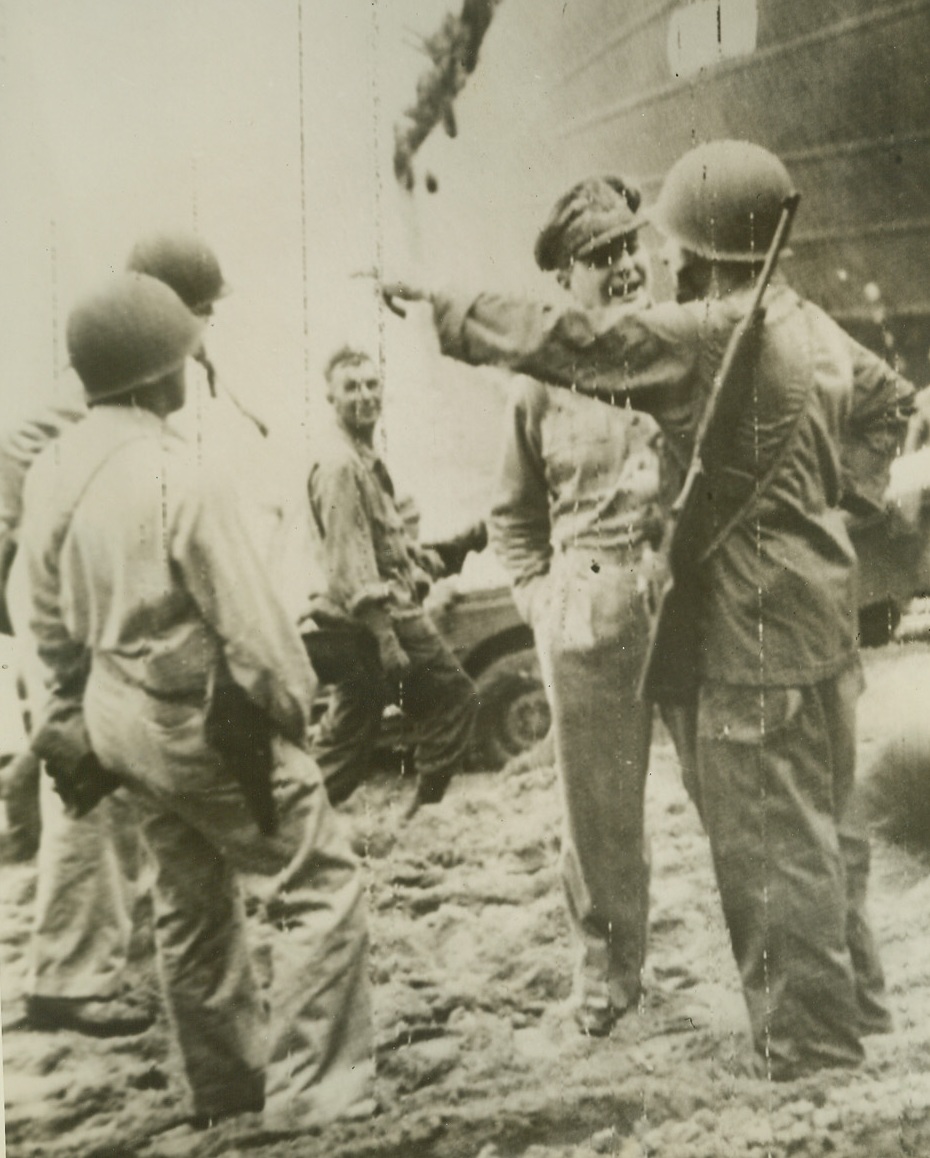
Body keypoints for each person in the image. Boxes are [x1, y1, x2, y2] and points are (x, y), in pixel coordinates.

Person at [383, 140, 911, 1079]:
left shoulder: (702, 334)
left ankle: (812, 1044)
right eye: (617, 253)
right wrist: (843, 504)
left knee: (761, 841)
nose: (648, 262)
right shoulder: (808, 322)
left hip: (735, 626)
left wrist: (443, 304)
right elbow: (893, 404)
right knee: (810, 831)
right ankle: (843, 1003)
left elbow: (579, 344)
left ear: (698, 247)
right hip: (781, 610)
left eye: (654, 243)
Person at [19, 271, 373, 1131]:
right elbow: (254, 632)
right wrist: (295, 716)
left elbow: (41, 611)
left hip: (113, 710)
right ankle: (315, 1094)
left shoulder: (55, 463)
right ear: (155, 374)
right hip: (196, 715)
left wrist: (72, 710)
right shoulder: (183, 474)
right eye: (185, 353)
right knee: (322, 877)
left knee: (188, 894)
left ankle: (226, 1087)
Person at [2, 232, 254, 1037]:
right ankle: (67, 978)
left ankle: (90, 951)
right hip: (39, 589)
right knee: (87, 771)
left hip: (50, 586)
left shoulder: (109, 372)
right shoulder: (97, 392)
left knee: (95, 764)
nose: (208, 330)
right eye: (202, 313)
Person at [488, 176, 677, 1034]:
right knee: (600, 818)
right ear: (566, 277)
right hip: (589, 608)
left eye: (630, 246)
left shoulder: (685, 345)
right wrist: (539, 600)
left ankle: (778, 977)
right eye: (603, 257)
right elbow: (513, 516)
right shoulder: (539, 385)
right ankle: (609, 987)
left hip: (686, 591)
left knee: (740, 791)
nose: (626, 267)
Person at [304, 346, 478, 814]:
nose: (364, 396)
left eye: (371, 384)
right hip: (381, 621)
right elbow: (350, 562)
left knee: (347, 740)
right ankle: (424, 809)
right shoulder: (341, 466)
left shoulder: (363, 459)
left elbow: (388, 551)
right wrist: (386, 637)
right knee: (454, 695)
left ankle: (283, 828)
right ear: (330, 397)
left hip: (372, 617)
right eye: (351, 387)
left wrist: (448, 551)